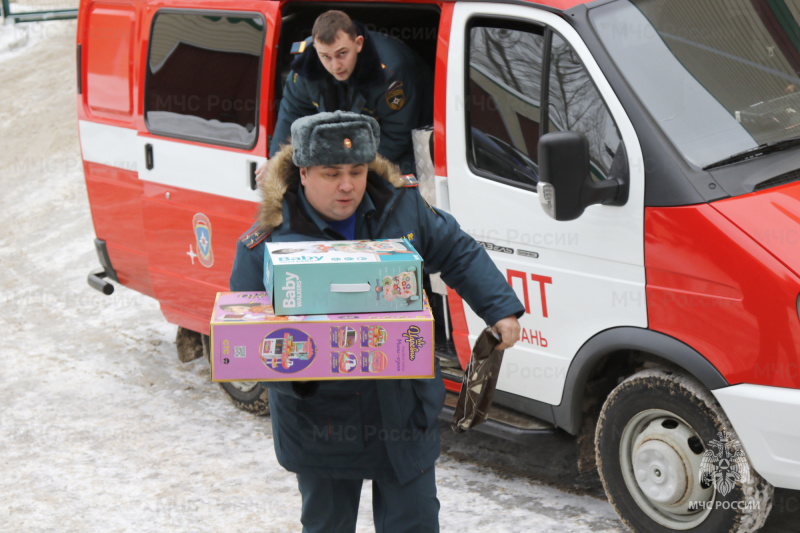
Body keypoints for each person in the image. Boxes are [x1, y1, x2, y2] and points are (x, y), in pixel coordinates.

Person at [230, 111, 523, 533]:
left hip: (401, 411)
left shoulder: (399, 207)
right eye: (332, 173)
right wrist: (302, 371)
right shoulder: (267, 241)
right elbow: (245, 343)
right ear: (304, 173)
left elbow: (457, 250)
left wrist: (500, 308)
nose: (347, 185)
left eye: (356, 170)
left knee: (416, 524)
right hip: (321, 422)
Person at [267, 10, 433, 175]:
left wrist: (350, 169)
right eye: (326, 56)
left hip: (413, 133)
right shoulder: (306, 66)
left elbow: (397, 135)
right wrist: (276, 164)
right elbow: (291, 116)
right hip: (354, 143)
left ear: (358, 43)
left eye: (342, 54)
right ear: (315, 48)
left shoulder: (390, 72)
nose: (335, 66)